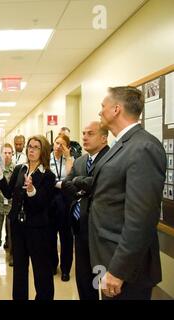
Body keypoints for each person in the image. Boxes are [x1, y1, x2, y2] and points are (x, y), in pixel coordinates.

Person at [85, 86, 166, 300]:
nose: (100, 112)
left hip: (124, 269)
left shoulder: (143, 148)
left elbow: (141, 219)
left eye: (103, 107)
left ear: (116, 109)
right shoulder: (123, 144)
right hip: (107, 256)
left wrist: (118, 270)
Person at [0, 135, 55, 300]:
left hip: (38, 229)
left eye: (36, 147)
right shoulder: (20, 169)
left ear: (43, 151)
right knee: (19, 269)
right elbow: (8, 192)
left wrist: (32, 190)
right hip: (18, 227)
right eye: (30, 146)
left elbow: (42, 204)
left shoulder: (48, 175)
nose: (31, 150)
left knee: (41, 271)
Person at [61, 121, 109, 300]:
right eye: (83, 133)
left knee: (102, 282)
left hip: (101, 232)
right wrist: (83, 188)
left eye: (90, 133)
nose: (84, 137)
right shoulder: (81, 160)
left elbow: (100, 187)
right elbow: (67, 184)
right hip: (80, 229)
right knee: (84, 280)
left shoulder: (111, 158)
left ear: (104, 138)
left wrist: (80, 184)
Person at [49, 134, 74, 281]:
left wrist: (68, 156)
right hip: (51, 199)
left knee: (66, 236)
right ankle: (53, 264)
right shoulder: (47, 158)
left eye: (62, 144)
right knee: (51, 235)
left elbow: (70, 177)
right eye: (57, 143)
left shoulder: (70, 160)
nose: (58, 146)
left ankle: (65, 269)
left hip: (65, 200)